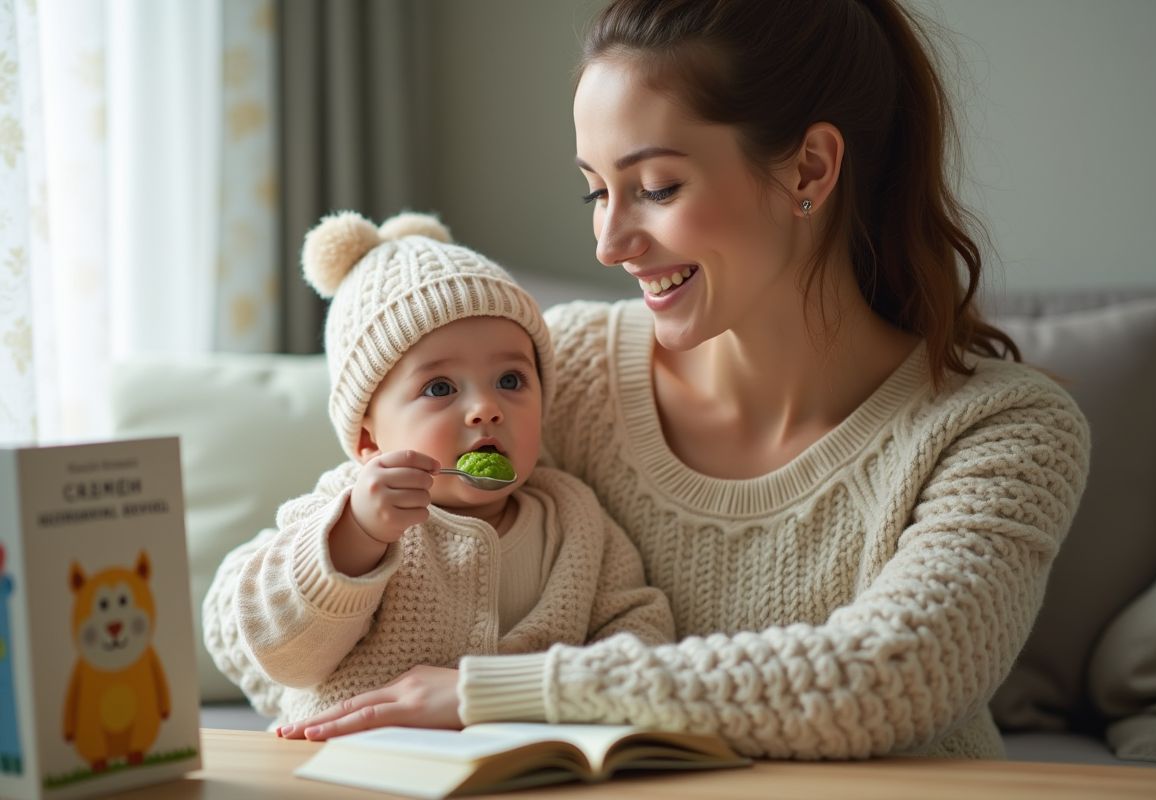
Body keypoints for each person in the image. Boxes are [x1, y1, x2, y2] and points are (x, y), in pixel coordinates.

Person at [274, 0, 1091, 760]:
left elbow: (890, 679)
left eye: (655, 187)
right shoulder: (564, 375)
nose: (609, 241)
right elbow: (334, 612)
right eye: (596, 191)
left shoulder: (1006, 429)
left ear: (810, 168)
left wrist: (503, 692)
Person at [202, 211, 675, 730]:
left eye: (512, 381)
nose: (485, 409)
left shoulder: (576, 521)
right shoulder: (343, 513)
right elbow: (284, 656)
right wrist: (355, 538)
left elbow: (641, 640)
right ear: (366, 438)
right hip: (357, 764)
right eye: (440, 388)